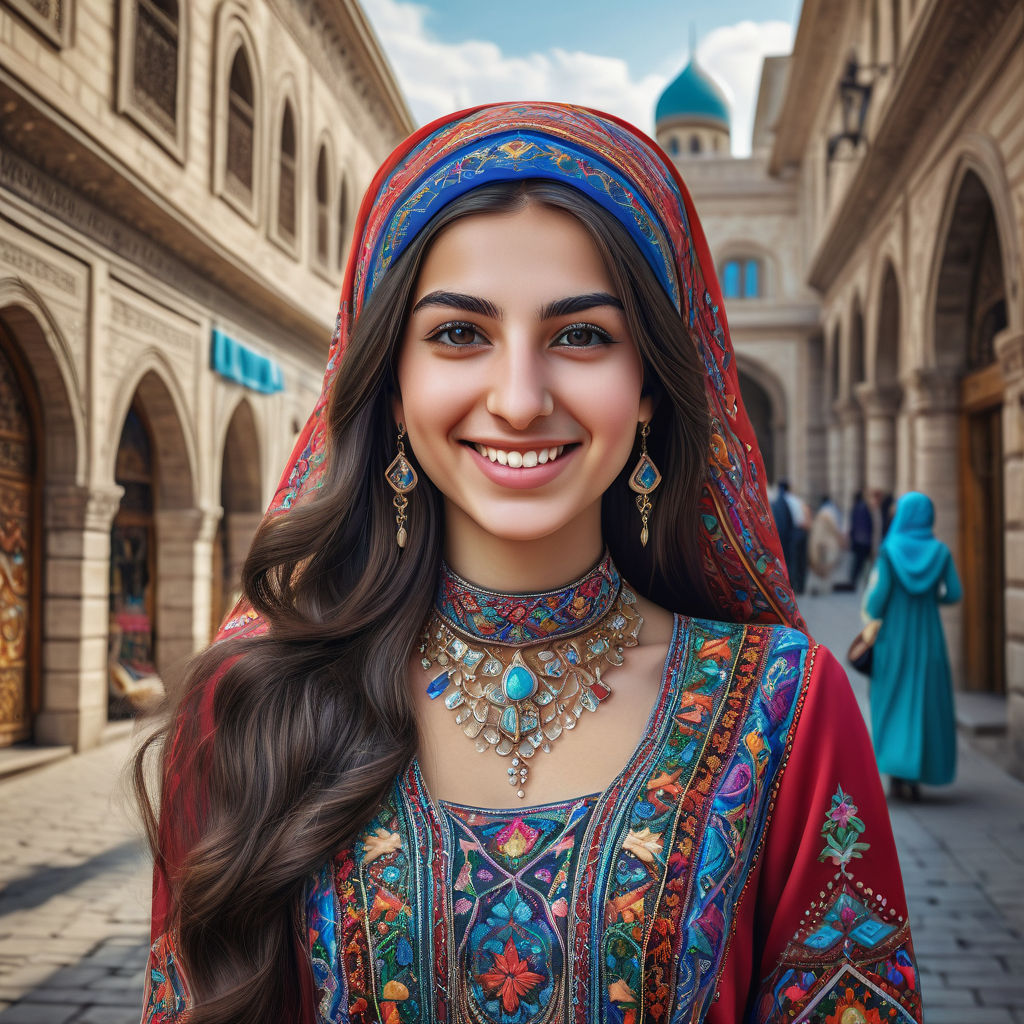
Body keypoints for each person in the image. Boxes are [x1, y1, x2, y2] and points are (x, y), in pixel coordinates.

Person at [137, 103, 922, 1024]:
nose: (518, 400)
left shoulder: (787, 710)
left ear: (649, 389)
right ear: (392, 386)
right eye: (459, 334)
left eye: (581, 336)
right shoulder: (251, 708)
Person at [865, 491, 962, 801]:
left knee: (892, 701)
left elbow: (877, 602)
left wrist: (877, 610)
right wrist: (930, 598)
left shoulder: (890, 552)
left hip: (893, 639)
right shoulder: (940, 552)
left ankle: (897, 774)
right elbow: (954, 593)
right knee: (924, 702)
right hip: (929, 637)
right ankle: (918, 774)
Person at [807, 494, 845, 596]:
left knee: (818, 566)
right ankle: (824, 587)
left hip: (818, 542)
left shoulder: (820, 513)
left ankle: (818, 586)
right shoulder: (833, 512)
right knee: (827, 567)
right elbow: (836, 529)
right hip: (829, 543)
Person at [848, 490, 874, 589]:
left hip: (858, 540)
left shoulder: (856, 508)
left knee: (858, 562)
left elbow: (854, 524)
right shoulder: (865, 508)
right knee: (862, 562)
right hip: (864, 540)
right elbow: (868, 524)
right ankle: (862, 580)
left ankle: (854, 580)